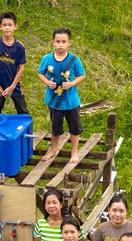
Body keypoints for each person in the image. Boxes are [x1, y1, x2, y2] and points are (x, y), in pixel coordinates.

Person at [37, 27, 86, 163]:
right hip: (54, 101)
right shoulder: (47, 59)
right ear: (53, 42)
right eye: (58, 41)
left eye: (63, 42)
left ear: (69, 43)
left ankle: (74, 151)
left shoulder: (74, 60)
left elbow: (82, 75)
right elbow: (40, 73)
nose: (60, 44)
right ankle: (53, 149)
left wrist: (71, 84)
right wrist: (48, 82)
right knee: (55, 127)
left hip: (71, 101)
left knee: (74, 128)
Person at [0, 11, 28, 114]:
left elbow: (21, 67)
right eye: (4, 25)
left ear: (15, 26)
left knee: (23, 112)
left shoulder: (19, 47)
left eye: (10, 25)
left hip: (15, 85)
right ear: (0, 27)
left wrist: (12, 87)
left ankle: (26, 130)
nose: (7, 28)